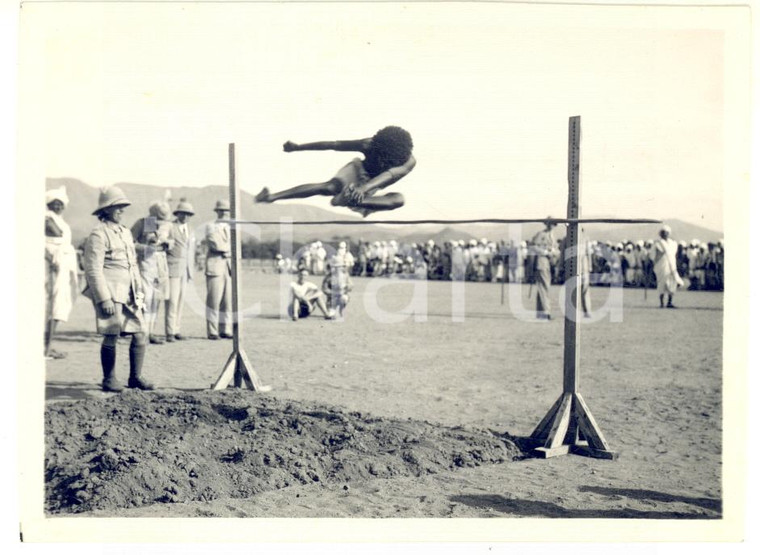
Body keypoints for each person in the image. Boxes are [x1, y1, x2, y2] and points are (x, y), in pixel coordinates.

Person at [82, 186, 153, 392]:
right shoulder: (98, 234)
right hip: (111, 293)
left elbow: (132, 263)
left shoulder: (125, 232)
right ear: (105, 210)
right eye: (117, 207)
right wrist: (103, 298)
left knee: (140, 332)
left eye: (123, 207)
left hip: (130, 291)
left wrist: (139, 290)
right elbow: (93, 269)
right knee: (111, 333)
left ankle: (135, 377)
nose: (122, 211)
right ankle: (109, 378)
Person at [255, 126, 416, 217]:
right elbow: (334, 145)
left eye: (385, 162)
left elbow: (387, 176)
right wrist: (298, 147)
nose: (381, 162)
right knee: (328, 187)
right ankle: (271, 197)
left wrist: (362, 190)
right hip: (357, 170)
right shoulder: (369, 144)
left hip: (372, 187)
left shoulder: (407, 162)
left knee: (399, 200)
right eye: (378, 157)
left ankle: (352, 201)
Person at [130, 200, 173, 345]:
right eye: (158, 219)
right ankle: (143, 332)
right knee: (146, 298)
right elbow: (130, 242)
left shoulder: (167, 225)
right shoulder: (143, 223)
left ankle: (151, 331)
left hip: (161, 262)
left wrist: (168, 243)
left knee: (157, 297)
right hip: (146, 263)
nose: (160, 222)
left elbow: (171, 240)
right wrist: (145, 248)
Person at [44, 187, 79, 359]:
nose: (57, 206)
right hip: (53, 264)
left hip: (63, 265)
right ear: (48, 204)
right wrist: (52, 258)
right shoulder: (47, 218)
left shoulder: (58, 219)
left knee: (60, 304)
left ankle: (47, 345)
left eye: (60, 204)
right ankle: (44, 347)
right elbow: (53, 237)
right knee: (52, 305)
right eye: (54, 203)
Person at [165, 198, 196, 342]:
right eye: (183, 213)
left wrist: (191, 270)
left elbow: (191, 250)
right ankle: (169, 331)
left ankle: (177, 329)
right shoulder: (170, 227)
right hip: (172, 267)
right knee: (172, 300)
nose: (185, 216)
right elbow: (162, 241)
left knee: (181, 300)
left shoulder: (190, 230)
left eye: (188, 214)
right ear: (177, 214)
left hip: (186, 269)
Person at [204, 200, 233, 340]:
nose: (224, 213)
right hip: (215, 266)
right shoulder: (211, 226)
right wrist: (229, 251)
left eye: (226, 210)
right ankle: (212, 331)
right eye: (221, 210)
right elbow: (215, 244)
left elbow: (237, 245)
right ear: (217, 211)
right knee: (213, 300)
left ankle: (225, 329)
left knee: (227, 300)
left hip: (229, 267)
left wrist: (229, 252)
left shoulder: (232, 227)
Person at [652, 224, 684, 308]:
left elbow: (674, 254)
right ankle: (662, 303)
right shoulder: (657, 243)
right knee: (661, 283)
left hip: (672, 265)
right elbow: (653, 255)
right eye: (663, 233)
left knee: (672, 283)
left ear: (669, 233)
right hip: (661, 265)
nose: (664, 234)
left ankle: (669, 302)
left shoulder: (673, 243)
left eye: (666, 232)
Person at [531, 218, 556, 320]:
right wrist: (545, 252)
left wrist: (553, 252)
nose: (552, 226)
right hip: (541, 262)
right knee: (544, 287)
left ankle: (540, 312)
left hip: (548, 263)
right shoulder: (541, 234)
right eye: (550, 224)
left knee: (543, 287)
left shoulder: (552, 235)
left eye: (554, 224)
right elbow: (533, 246)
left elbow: (554, 248)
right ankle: (545, 312)